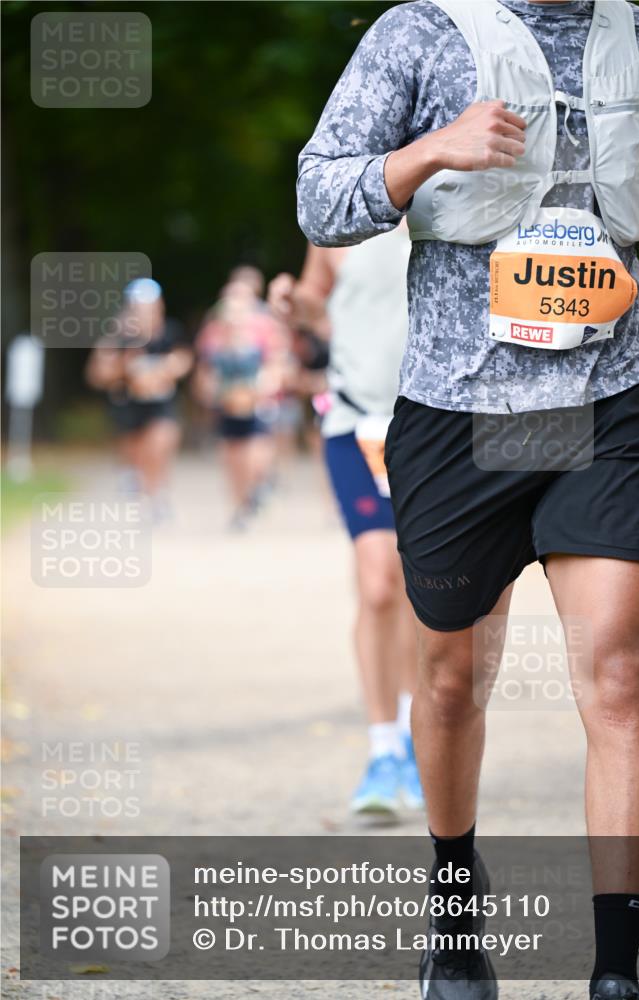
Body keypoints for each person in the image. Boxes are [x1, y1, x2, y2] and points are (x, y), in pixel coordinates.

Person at [297, 1, 639, 998]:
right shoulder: (417, 33)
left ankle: (613, 973)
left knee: (620, 674)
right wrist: (430, 151)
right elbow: (320, 198)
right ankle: (454, 912)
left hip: (609, 405)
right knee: (453, 678)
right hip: (461, 412)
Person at [269, 224, 424, 817]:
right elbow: (317, 299)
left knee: (422, 586)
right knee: (378, 582)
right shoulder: (345, 205)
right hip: (354, 419)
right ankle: (382, 749)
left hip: (429, 421)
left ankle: (417, 735)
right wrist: (293, 300)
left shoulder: (451, 194)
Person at [86, 278, 192, 516]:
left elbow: (185, 359)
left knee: (160, 445)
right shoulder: (117, 336)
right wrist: (124, 367)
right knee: (138, 457)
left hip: (161, 404)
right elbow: (97, 374)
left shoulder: (170, 332)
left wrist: (166, 369)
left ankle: (157, 497)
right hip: (128, 406)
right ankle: (143, 491)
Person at [194, 277, 286, 531]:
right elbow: (206, 371)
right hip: (227, 406)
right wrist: (211, 393)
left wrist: (263, 388)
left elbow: (275, 364)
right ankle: (239, 506)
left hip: (257, 406)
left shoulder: (264, 329)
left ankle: (256, 488)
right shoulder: (213, 335)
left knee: (255, 459)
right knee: (232, 458)